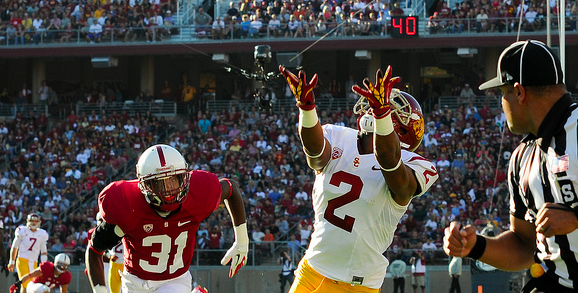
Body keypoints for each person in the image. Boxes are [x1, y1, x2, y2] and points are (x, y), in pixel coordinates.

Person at [279, 65, 439, 292]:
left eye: (386, 107)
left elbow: (391, 166)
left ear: (402, 129)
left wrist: (382, 116)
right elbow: (315, 156)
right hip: (313, 271)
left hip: (358, 285)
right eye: (380, 104)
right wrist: (307, 109)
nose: (374, 108)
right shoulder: (338, 136)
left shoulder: (414, 164)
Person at [443, 40, 577, 293]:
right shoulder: (521, 157)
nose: (502, 104)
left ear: (519, 92)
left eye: (502, 94)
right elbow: (525, 245)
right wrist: (476, 246)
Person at [86, 144, 249, 293]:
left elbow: (231, 187)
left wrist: (242, 241)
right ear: (145, 185)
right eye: (159, 183)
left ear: (184, 177)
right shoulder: (130, 208)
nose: (168, 189)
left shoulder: (196, 197)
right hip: (134, 283)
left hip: (174, 281)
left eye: (173, 179)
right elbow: (94, 249)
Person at [8, 213, 49, 291]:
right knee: (26, 285)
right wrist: (12, 261)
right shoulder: (22, 230)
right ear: (27, 221)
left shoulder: (42, 233)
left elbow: (44, 252)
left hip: (34, 262)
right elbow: (15, 247)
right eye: (31, 221)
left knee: (32, 286)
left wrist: (44, 265)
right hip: (22, 260)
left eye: (35, 221)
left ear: (39, 222)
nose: (33, 223)